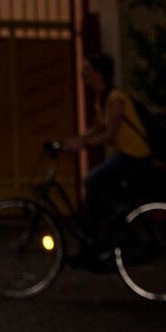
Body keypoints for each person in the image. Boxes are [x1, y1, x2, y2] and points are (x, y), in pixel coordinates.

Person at [53, 53, 154, 253]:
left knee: (91, 180)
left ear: (99, 74)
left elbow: (109, 133)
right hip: (125, 154)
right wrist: (70, 142)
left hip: (135, 154)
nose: (83, 74)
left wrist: (83, 145)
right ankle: (94, 240)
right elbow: (96, 127)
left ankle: (121, 219)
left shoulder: (116, 98)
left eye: (87, 69)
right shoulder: (104, 98)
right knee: (93, 189)